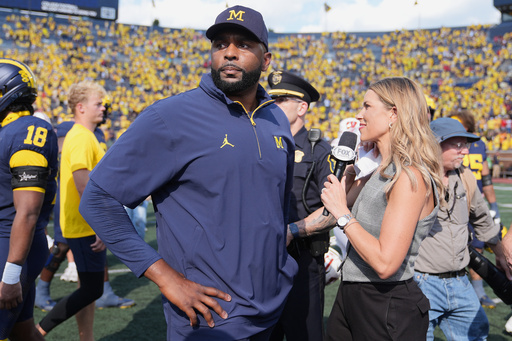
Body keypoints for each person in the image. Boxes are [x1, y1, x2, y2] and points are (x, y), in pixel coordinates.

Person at [79, 5, 297, 340]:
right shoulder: (171, 116)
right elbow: (98, 198)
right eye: (220, 44)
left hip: (275, 307)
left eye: (243, 45)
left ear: (266, 60)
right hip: (212, 319)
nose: (229, 53)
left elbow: (277, 210)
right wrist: (166, 278)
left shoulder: (277, 120)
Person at [290, 77, 444, 340]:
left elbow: (385, 264)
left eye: (367, 107)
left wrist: (343, 214)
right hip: (352, 293)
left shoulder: (409, 176)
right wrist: (291, 231)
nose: (359, 115)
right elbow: (332, 212)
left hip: (386, 303)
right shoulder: (379, 168)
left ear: (393, 114)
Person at [413, 117, 512, 341]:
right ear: (433, 144)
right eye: (457, 144)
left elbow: (483, 221)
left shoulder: (466, 176)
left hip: (460, 280)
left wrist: (501, 255)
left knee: (476, 334)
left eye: (465, 145)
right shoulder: (413, 178)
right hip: (420, 282)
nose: (465, 151)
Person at [36, 81, 110, 340]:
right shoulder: (80, 136)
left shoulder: (84, 135)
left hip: (82, 224)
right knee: (92, 290)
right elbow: (83, 185)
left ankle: (85, 337)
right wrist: (101, 224)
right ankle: (39, 331)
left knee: (87, 288)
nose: (104, 108)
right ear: (80, 107)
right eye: (98, 104)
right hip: (84, 226)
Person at [267, 70, 331, 341]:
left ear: (302, 107)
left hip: (302, 260)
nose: (272, 105)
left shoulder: (319, 150)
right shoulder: (260, 143)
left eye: (281, 100)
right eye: (271, 99)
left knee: (302, 335)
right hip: (262, 261)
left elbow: (334, 209)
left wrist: (292, 230)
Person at [0, 58, 58, 340]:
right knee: (24, 333)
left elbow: (28, 211)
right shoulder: (10, 131)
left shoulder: (27, 131)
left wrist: (10, 276)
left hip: (10, 251)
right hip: (15, 247)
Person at [449, 109, 501, 308]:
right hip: (453, 201)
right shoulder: (446, 144)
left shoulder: (479, 145)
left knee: (478, 248)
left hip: (475, 203)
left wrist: (494, 205)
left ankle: (478, 292)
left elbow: (486, 180)